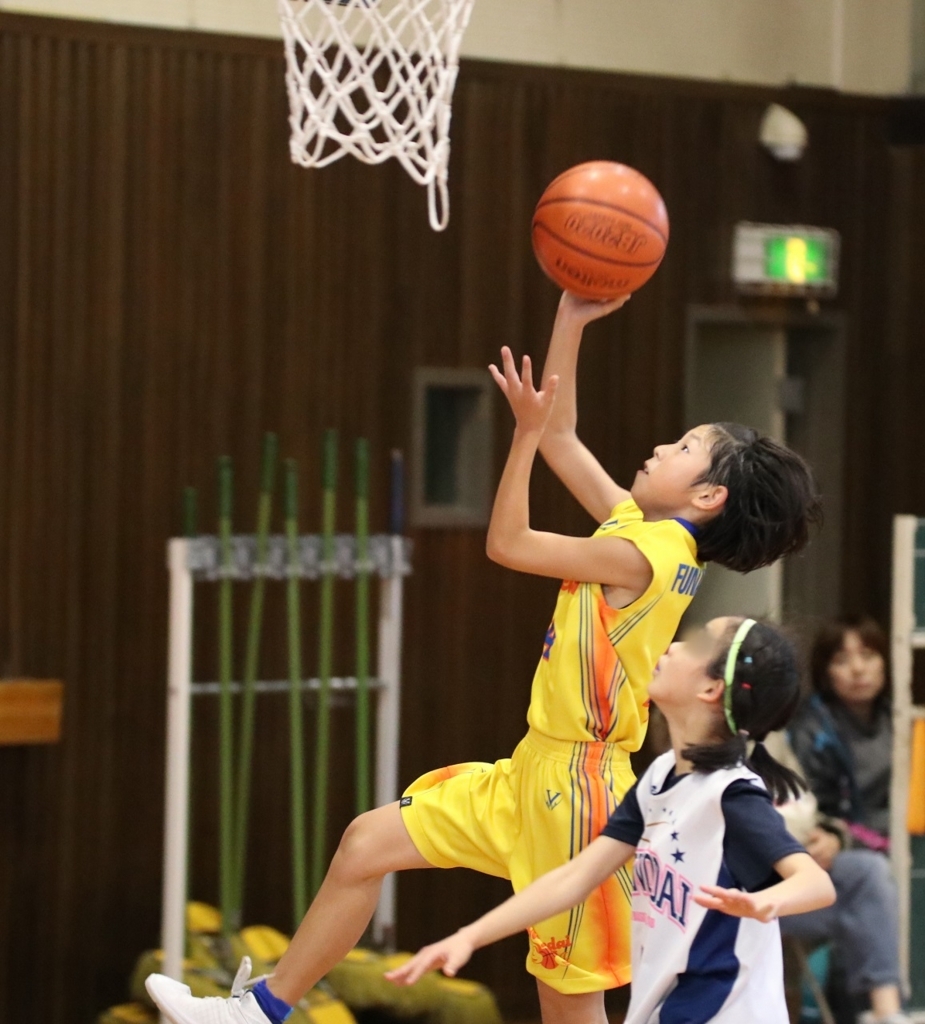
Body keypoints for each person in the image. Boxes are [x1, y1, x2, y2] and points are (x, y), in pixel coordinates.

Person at [147, 292, 821, 1024]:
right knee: (365, 844)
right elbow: (564, 432)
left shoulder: (647, 554)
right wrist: (573, 316)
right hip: (533, 769)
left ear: (709, 494)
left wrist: (522, 437)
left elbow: (509, 542)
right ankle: (260, 1011)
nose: (662, 448)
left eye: (684, 448)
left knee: (568, 1006)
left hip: (577, 788)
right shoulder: (649, 532)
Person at [386, 617, 836, 1024]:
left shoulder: (731, 797)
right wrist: (469, 936)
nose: (675, 645)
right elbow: (575, 878)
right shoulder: (660, 778)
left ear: (711, 690)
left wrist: (767, 903)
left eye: (696, 644)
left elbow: (815, 884)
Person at [785, 615, 906, 1024]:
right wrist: (838, 836)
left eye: (868, 655)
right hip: (830, 863)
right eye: (842, 659)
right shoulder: (810, 729)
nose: (858, 669)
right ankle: (884, 1012)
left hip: (892, 849)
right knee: (872, 876)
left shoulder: (900, 719)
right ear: (824, 671)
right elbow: (815, 819)